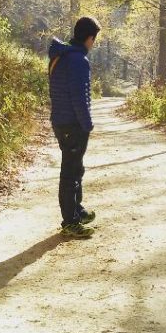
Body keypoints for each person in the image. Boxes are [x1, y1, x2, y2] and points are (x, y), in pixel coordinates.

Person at [48, 16, 101, 238]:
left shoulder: (61, 56)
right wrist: (87, 124)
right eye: (93, 39)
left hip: (62, 121)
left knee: (75, 168)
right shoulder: (78, 60)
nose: (93, 43)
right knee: (70, 172)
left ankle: (76, 211)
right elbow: (79, 97)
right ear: (89, 38)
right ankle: (70, 221)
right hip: (72, 123)